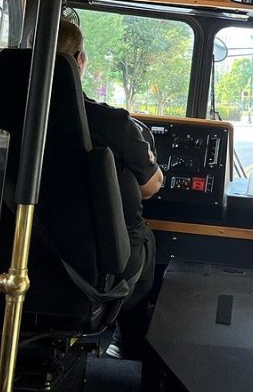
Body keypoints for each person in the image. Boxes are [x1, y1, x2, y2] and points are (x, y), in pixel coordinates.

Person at [56, 18, 164, 360]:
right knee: (145, 238)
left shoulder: (1, 116)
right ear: (80, 61)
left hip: (18, 254)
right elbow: (150, 188)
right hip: (99, 264)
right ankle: (126, 343)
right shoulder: (111, 124)